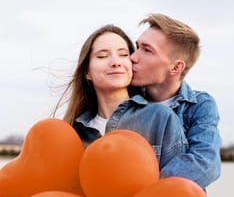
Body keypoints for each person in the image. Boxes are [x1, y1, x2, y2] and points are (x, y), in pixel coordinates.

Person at [130, 13, 222, 197]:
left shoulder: (200, 105)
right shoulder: (122, 102)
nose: (133, 57)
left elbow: (207, 162)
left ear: (175, 68)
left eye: (146, 50)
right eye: (137, 46)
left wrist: (138, 191)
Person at [54, 24, 188, 169]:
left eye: (123, 55)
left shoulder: (160, 118)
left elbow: (178, 185)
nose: (116, 62)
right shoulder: (74, 131)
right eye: (102, 56)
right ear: (87, 72)